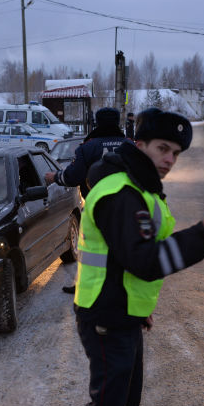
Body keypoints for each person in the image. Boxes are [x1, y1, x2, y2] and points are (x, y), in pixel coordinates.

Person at [74, 108, 204, 406]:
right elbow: (143, 261)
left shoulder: (141, 188)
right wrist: (199, 235)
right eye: (163, 148)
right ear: (139, 144)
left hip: (123, 313)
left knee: (124, 405)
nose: (170, 159)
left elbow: (124, 259)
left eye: (175, 153)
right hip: (107, 317)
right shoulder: (121, 193)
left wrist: (139, 310)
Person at [44, 107, 127, 293]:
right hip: (126, 208)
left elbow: (73, 177)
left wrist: (55, 177)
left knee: (92, 251)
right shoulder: (130, 145)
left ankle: (87, 285)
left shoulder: (88, 147)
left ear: (97, 123)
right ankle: (121, 285)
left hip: (96, 210)